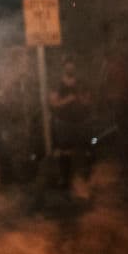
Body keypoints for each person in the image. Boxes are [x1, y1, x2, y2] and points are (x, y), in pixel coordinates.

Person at [48, 56, 92, 190]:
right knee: (65, 151)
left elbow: (88, 101)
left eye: (72, 64)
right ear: (64, 67)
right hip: (64, 123)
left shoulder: (82, 83)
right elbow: (53, 103)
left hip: (80, 122)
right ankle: (65, 179)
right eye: (68, 64)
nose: (70, 67)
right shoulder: (58, 83)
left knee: (84, 150)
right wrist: (68, 100)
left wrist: (82, 100)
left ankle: (85, 179)